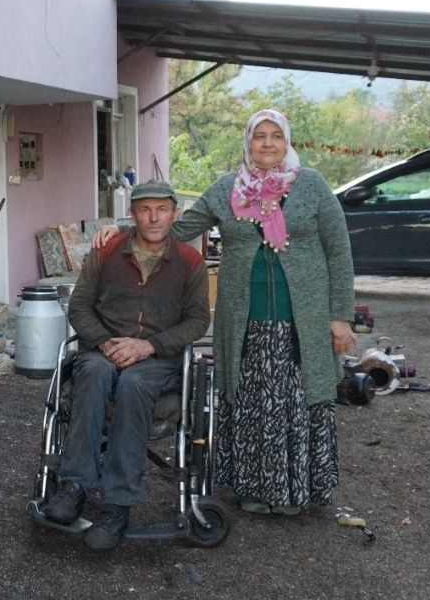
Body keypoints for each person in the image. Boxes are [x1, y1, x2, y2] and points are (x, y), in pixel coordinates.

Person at [93, 109, 357, 515]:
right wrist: (122, 231)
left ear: (287, 142)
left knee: (299, 401)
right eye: (259, 136)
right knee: (249, 401)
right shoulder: (226, 189)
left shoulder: (313, 186)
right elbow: (173, 229)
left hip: (302, 320)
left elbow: (339, 251)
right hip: (244, 319)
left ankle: (294, 492)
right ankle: (253, 490)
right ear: (248, 142)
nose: (267, 143)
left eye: (275, 136)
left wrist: (340, 316)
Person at [43, 179, 210, 551]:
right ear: (132, 214)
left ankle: (117, 506)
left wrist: (148, 345)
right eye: (145, 209)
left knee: (134, 384)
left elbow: (198, 321)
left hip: (157, 359)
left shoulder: (190, 262)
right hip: (101, 350)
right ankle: (74, 487)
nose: (153, 217)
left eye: (162, 209)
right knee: (94, 373)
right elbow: (79, 306)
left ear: (174, 214)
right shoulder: (106, 253)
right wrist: (103, 341)